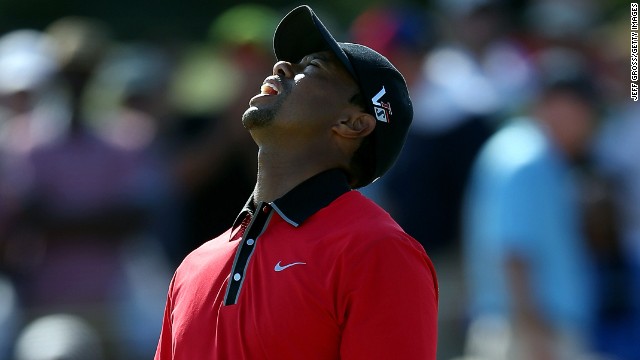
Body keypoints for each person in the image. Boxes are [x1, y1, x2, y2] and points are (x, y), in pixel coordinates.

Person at [154, 5, 439, 360]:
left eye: (313, 67)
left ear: (353, 124)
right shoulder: (194, 265)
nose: (281, 67)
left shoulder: (378, 250)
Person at [460, 64, 599, 360]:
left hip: (523, 327)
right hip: (528, 334)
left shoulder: (528, 151)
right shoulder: (527, 159)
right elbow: (513, 253)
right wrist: (534, 335)